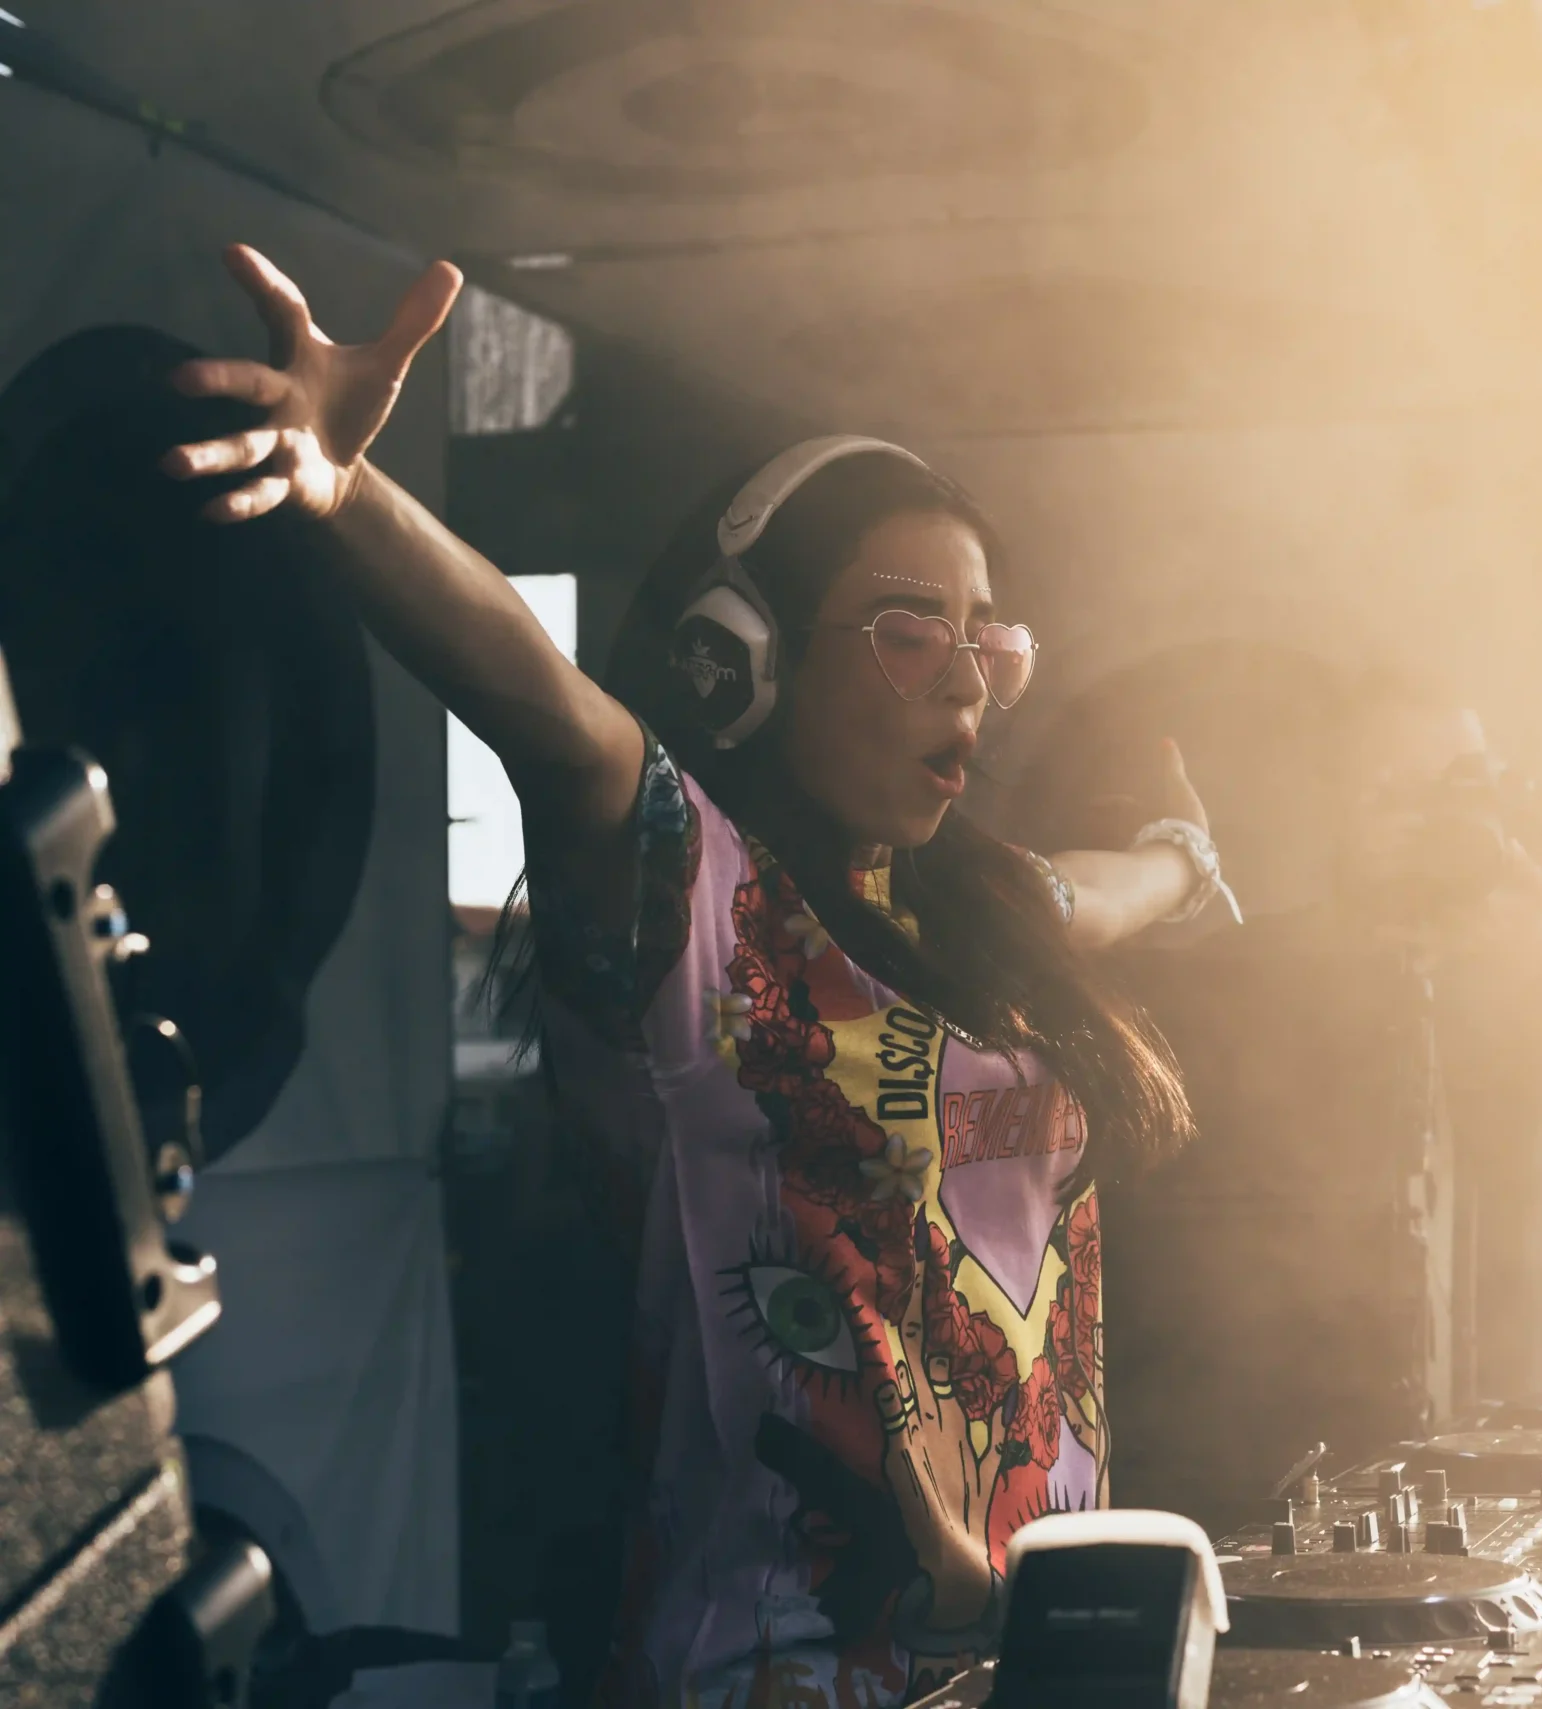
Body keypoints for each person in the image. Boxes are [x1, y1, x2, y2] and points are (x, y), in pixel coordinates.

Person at [165, 245, 1228, 1707]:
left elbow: (1097, 895)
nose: (967, 677)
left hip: (1051, 1660)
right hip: (781, 1677)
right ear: (747, 658)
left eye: (986, 638)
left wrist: (1185, 856)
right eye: (909, 629)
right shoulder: (706, 905)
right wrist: (349, 497)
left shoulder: (975, 913)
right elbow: (540, 706)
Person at [1328, 674, 1542, 1400]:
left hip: (1508, 1397)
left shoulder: (1515, 946)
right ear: (1354, 806)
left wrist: (1526, 942)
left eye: (1467, 786)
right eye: (1414, 794)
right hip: (1335, 1392)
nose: (1450, 818)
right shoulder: (1297, 954)